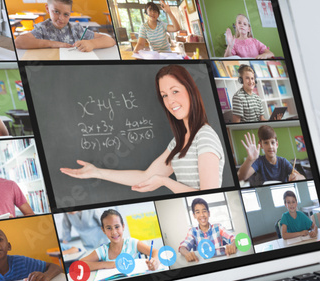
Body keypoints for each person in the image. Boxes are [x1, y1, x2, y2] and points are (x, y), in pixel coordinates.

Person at [60, 65, 225, 193]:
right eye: (165, 95)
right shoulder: (179, 142)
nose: (170, 101)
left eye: (175, 91)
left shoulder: (205, 137)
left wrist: (164, 181)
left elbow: (210, 194)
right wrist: (97, 172)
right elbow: (146, 176)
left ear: (191, 91)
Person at [13, 0, 116, 51]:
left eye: (66, 14)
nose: (61, 18)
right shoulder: (43, 28)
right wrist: (54, 44)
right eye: (56, 12)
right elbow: (19, 42)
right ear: (47, 9)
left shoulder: (76, 29)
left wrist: (92, 44)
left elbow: (110, 40)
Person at [79, 209, 160, 272]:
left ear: (123, 226)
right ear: (103, 230)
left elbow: (155, 252)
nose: (114, 232)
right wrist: (106, 264)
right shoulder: (103, 250)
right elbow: (79, 265)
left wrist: (155, 261)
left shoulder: (132, 243)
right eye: (109, 228)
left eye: (117, 227)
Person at [237, 125, 304, 184]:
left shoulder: (283, 162)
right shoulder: (259, 161)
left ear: (277, 144)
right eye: (266, 143)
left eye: (272, 142)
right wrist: (250, 159)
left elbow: (302, 178)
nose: (270, 146)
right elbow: (241, 177)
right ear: (261, 145)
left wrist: (297, 177)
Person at [178, 198, 238, 263]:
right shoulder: (192, 231)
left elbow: (234, 238)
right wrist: (187, 253)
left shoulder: (218, 227)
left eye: (204, 211)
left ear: (209, 213)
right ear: (194, 215)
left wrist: (233, 244)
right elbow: (182, 247)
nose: (202, 215)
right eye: (198, 212)